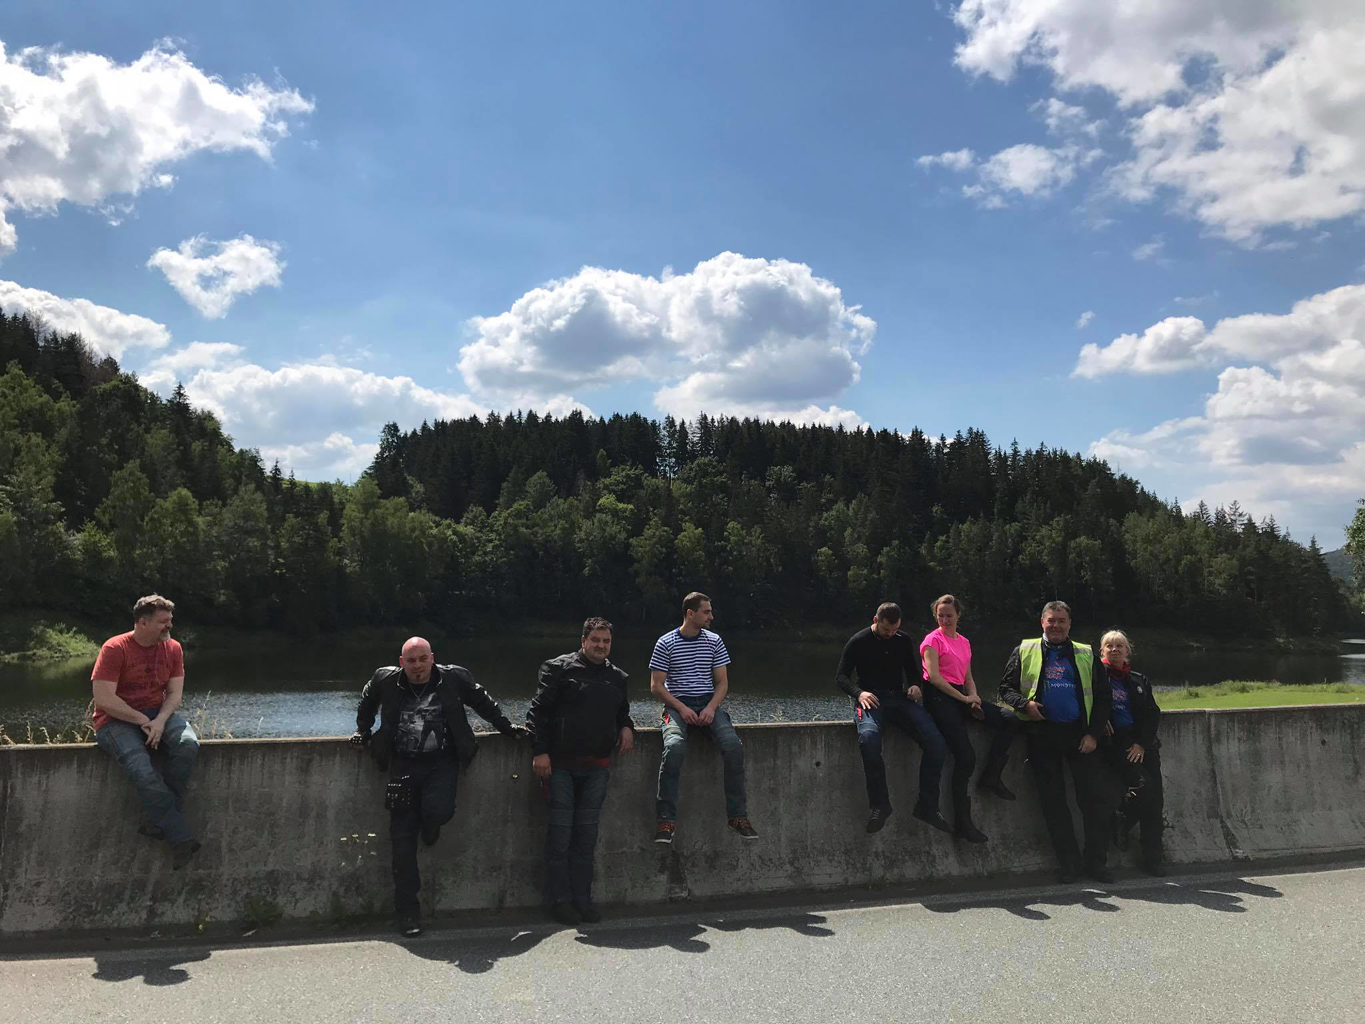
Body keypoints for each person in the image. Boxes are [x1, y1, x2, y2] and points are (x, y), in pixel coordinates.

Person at [352, 636, 524, 937]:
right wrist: (362, 731)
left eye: (423, 659)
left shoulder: (454, 678)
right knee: (402, 843)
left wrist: (508, 728)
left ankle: (430, 823)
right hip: (402, 765)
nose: (417, 666)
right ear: (402, 662)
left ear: (432, 658)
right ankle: (408, 914)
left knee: (439, 810)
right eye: (411, 661)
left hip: (442, 763)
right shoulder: (385, 679)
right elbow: (367, 705)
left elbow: (483, 703)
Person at [527, 617, 635, 926]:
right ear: (583, 641)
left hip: (597, 768)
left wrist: (627, 726)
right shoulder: (558, 669)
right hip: (560, 766)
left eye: (606, 641)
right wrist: (540, 751)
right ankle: (561, 902)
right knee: (560, 837)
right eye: (596, 640)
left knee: (586, 840)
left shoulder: (617, 677)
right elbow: (538, 712)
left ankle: (582, 900)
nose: (601, 646)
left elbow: (622, 713)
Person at [999, 600, 1115, 883]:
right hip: (1043, 735)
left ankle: (1096, 864)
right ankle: (1069, 865)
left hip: (1080, 736)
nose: (1056, 626)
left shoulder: (1085, 653)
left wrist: (1093, 734)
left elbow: (1103, 697)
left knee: (1094, 802)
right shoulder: (1024, 650)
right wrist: (1024, 704)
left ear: (1069, 624)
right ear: (1042, 622)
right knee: (1054, 805)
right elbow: (1005, 688)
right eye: (1051, 620)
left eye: (1062, 621)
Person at [91, 594, 201, 869]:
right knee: (142, 769)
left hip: (157, 714)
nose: (169, 626)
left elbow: (174, 695)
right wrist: (142, 719)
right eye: (163, 621)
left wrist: (160, 721)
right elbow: (104, 699)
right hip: (115, 720)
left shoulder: (173, 648)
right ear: (142, 622)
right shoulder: (115, 648)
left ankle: (158, 821)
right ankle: (179, 836)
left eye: (170, 620)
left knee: (187, 744)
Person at [650, 592, 757, 844]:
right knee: (674, 748)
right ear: (690, 613)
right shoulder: (665, 643)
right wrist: (681, 708)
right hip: (677, 705)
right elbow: (656, 686)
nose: (711, 616)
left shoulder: (714, 641)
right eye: (706, 612)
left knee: (733, 746)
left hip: (708, 703)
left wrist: (710, 708)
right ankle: (666, 821)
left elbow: (722, 683)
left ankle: (737, 816)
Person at [836, 602, 950, 836]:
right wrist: (859, 693)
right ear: (876, 620)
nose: (890, 634)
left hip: (898, 698)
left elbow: (913, 672)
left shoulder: (903, 640)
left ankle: (928, 805)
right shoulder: (858, 641)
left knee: (936, 742)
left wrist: (915, 686)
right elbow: (841, 676)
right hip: (871, 699)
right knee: (869, 739)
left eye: (894, 629)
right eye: (886, 630)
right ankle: (880, 805)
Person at [919, 594, 1020, 843]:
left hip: (960, 696)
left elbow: (968, 677)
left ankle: (992, 776)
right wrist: (964, 699)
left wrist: (973, 697)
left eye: (949, 616)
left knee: (1009, 719)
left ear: (958, 615)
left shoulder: (964, 642)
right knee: (965, 757)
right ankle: (963, 823)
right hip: (939, 698)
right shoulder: (932, 641)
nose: (944, 620)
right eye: (940, 616)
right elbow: (934, 678)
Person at [1099, 629, 1166, 876]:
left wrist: (1141, 744)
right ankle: (1121, 820)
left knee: (1155, 802)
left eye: (1119, 646)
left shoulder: (1138, 680)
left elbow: (1152, 714)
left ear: (1127, 651)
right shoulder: (1096, 678)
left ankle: (1153, 859)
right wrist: (1098, 721)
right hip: (1116, 745)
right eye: (1109, 646)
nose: (1114, 650)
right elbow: (1088, 706)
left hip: (1143, 745)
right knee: (1145, 789)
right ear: (1102, 651)